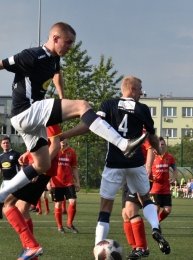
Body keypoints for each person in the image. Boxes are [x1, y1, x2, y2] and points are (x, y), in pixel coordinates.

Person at [0, 22, 147, 258]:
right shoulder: (31, 55)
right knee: (83, 105)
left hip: (31, 120)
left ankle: (1, 196)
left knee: (42, 164)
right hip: (26, 112)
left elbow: (57, 75)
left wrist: (63, 98)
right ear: (55, 38)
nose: (71, 47)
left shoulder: (54, 60)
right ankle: (122, 143)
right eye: (68, 42)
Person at [59, 76, 171, 255]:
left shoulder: (109, 104)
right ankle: (156, 227)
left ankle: (98, 247)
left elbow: (91, 125)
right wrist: (157, 149)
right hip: (135, 162)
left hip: (114, 162)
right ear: (132, 89)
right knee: (145, 198)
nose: (142, 92)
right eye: (140, 89)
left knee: (105, 208)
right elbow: (152, 137)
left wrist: (65, 135)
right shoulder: (142, 109)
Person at [14, 124, 61, 260]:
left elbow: (55, 145)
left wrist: (38, 169)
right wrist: (27, 153)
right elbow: (40, 145)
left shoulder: (49, 121)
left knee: (19, 208)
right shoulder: (37, 121)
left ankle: (31, 249)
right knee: (20, 208)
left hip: (42, 170)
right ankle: (30, 249)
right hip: (36, 167)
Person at [122, 133, 155, 259]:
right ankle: (135, 247)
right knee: (125, 214)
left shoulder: (139, 130)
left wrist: (147, 167)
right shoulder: (121, 130)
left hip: (139, 175)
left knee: (131, 210)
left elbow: (150, 148)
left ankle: (142, 248)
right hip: (128, 177)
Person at [50, 139, 80, 234]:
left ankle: (69, 224)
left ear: (67, 139)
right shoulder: (54, 150)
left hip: (69, 182)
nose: (63, 140)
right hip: (56, 182)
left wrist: (78, 182)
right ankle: (60, 226)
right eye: (60, 138)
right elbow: (48, 166)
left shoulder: (72, 152)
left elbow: (74, 168)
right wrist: (48, 182)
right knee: (58, 204)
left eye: (64, 138)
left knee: (73, 201)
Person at [150, 137, 178, 224]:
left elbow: (175, 169)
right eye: (159, 144)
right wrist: (151, 177)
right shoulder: (152, 157)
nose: (161, 146)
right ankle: (155, 227)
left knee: (167, 210)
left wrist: (173, 178)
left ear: (165, 145)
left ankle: (156, 222)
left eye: (162, 144)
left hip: (166, 189)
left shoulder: (169, 157)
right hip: (155, 188)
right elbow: (146, 169)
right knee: (156, 209)